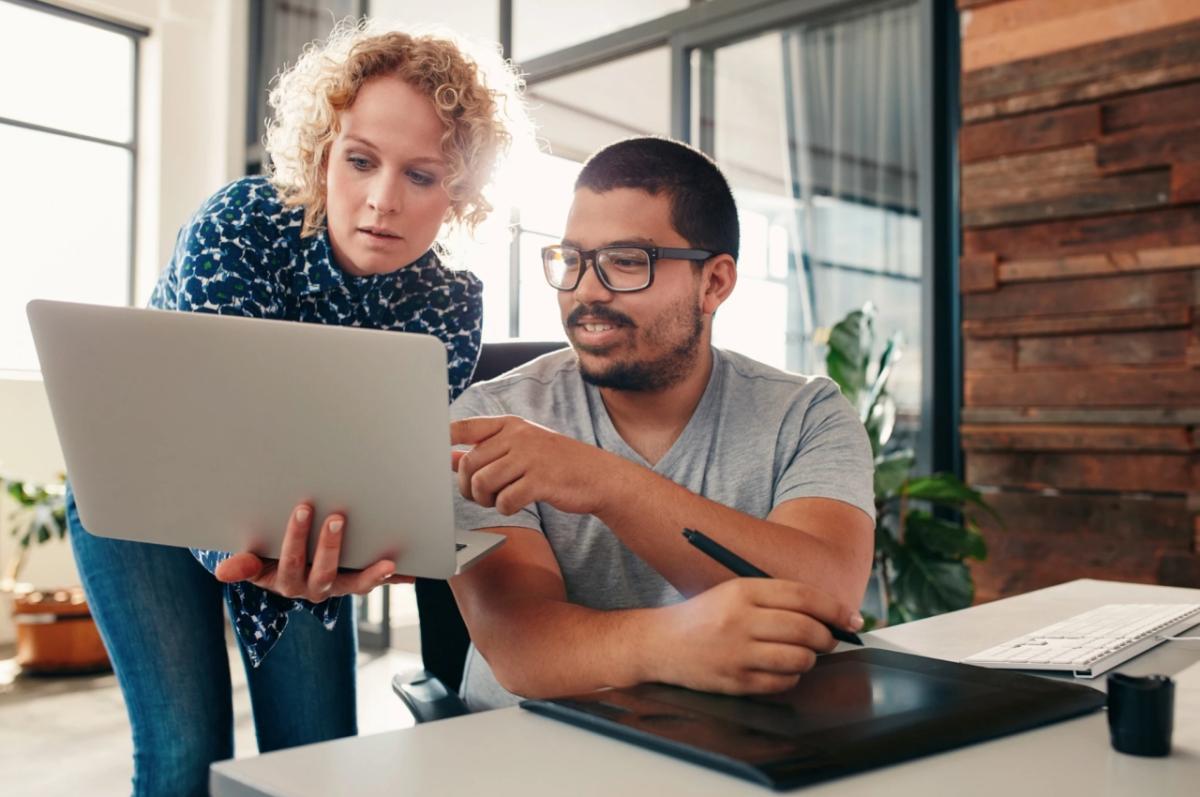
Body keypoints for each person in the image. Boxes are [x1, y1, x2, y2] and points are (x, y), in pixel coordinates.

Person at [64, 20, 525, 795]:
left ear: (461, 193)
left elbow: (381, 472)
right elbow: (215, 437)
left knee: (316, 758)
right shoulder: (239, 224)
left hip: (309, 530)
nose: (383, 201)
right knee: (183, 754)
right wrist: (254, 559)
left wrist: (364, 549)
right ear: (321, 153)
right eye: (360, 160)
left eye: (422, 176)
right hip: (144, 492)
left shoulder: (451, 300)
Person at [445, 137, 876, 710]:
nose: (586, 291)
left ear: (714, 283)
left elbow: (827, 600)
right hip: (529, 750)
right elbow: (521, 648)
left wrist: (606, 483)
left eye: (626, 262)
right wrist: (675, 643)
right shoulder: (488, 418)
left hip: (738, 741)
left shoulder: (807, 415)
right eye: (571, 260)